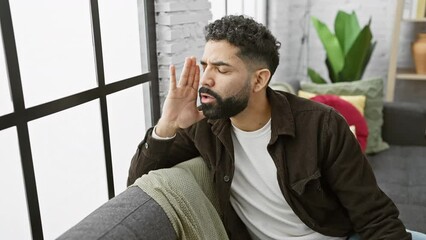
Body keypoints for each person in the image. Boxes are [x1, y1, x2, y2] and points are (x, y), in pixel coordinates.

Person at [127, 15, 411, 239]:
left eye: (222, 69)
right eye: (205, 66)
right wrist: (167, 125)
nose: (206, 79)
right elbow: (138, 188)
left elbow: (375, 216)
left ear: (259, 80)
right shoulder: (204, 123)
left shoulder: (321, 126)